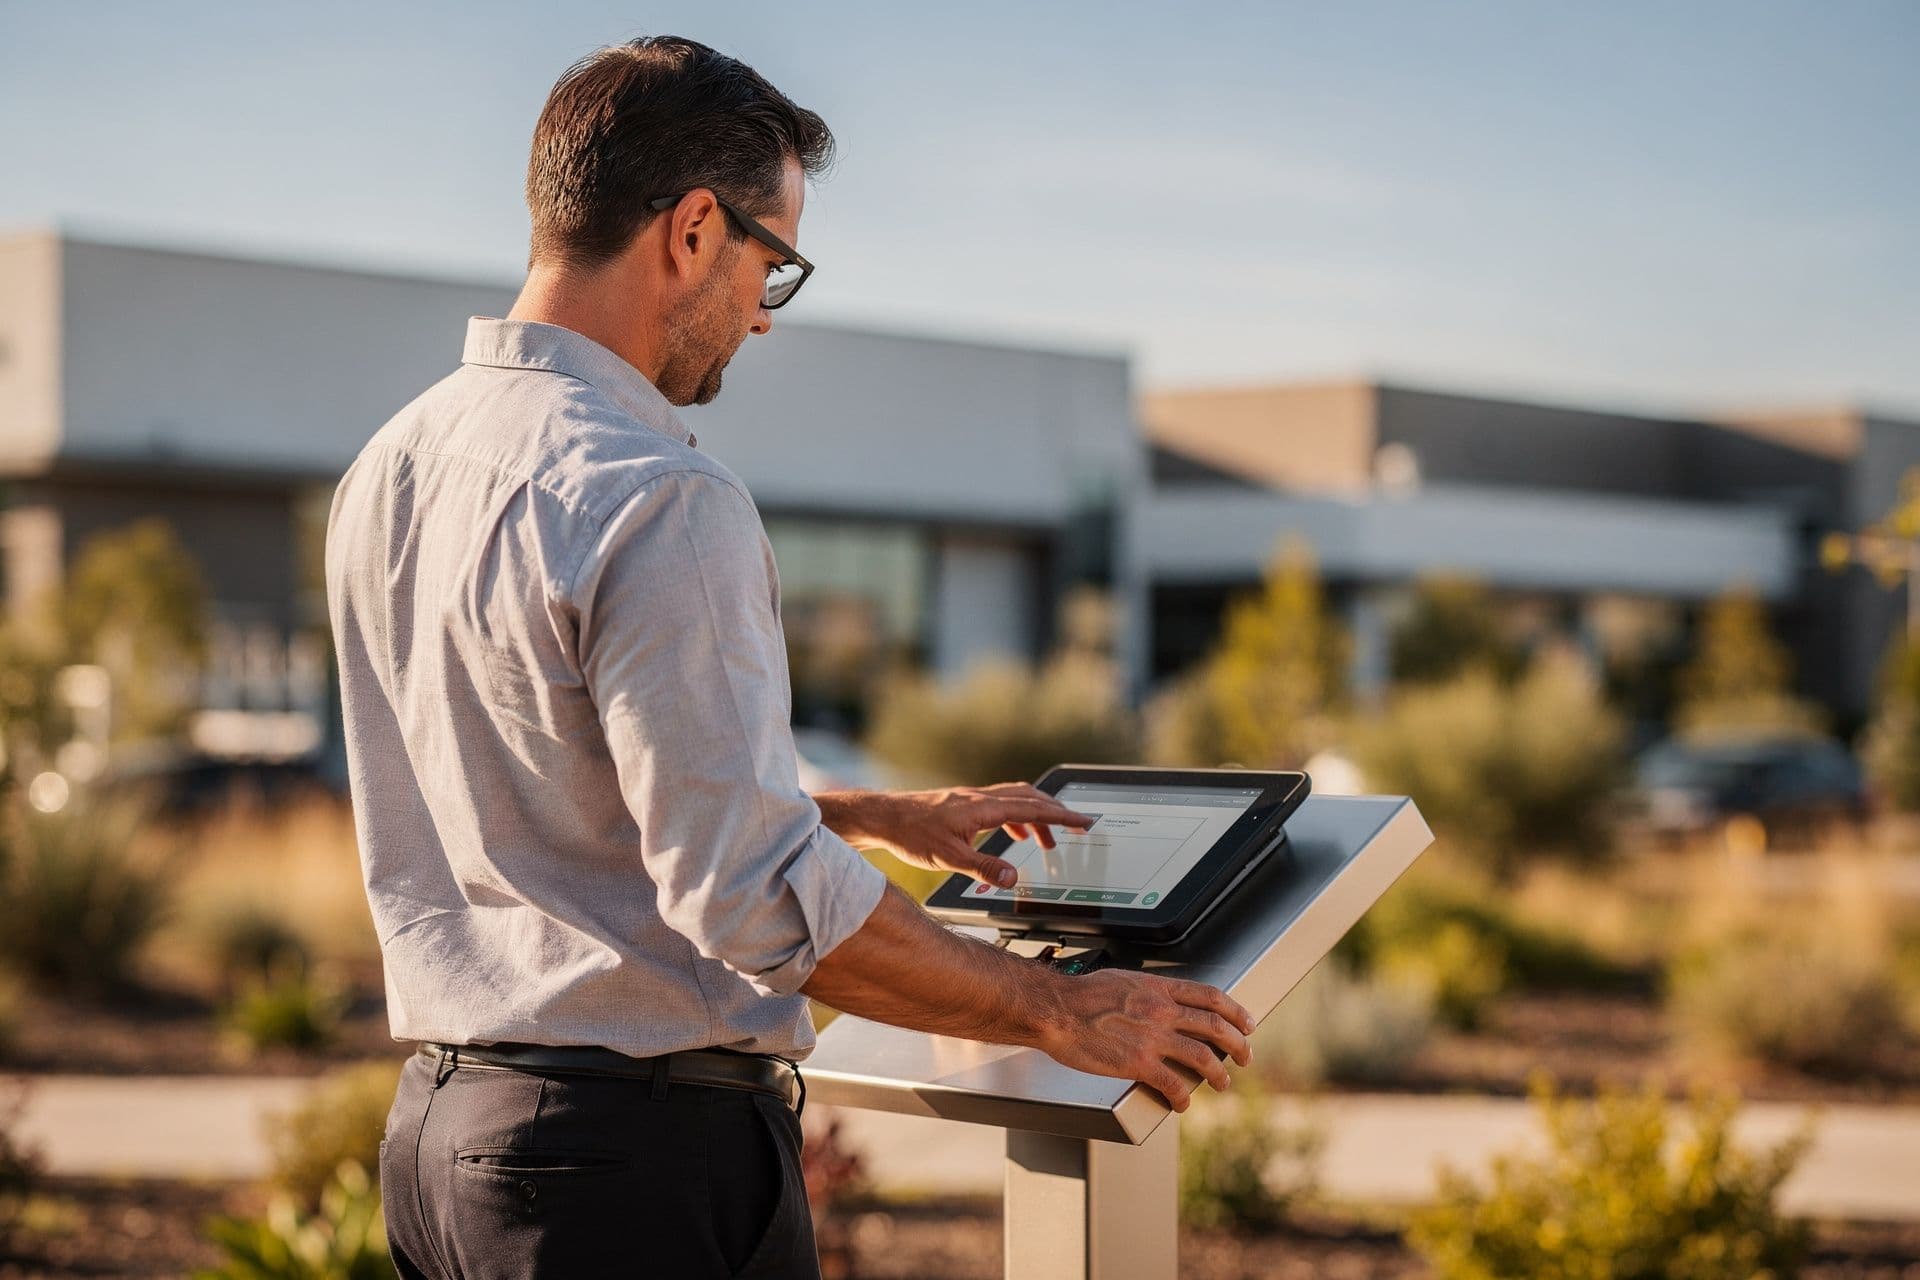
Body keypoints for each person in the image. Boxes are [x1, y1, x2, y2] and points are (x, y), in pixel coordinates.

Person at [324, 34, 1253, 1280]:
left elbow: (555, 782)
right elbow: (749, 892)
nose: (763, 314)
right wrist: (1059, 1006)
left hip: (445, 1147)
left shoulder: (394, 465)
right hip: (630, 1168)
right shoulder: (657, 495)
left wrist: (864, 813)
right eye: (775, 262)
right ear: (693, 229)